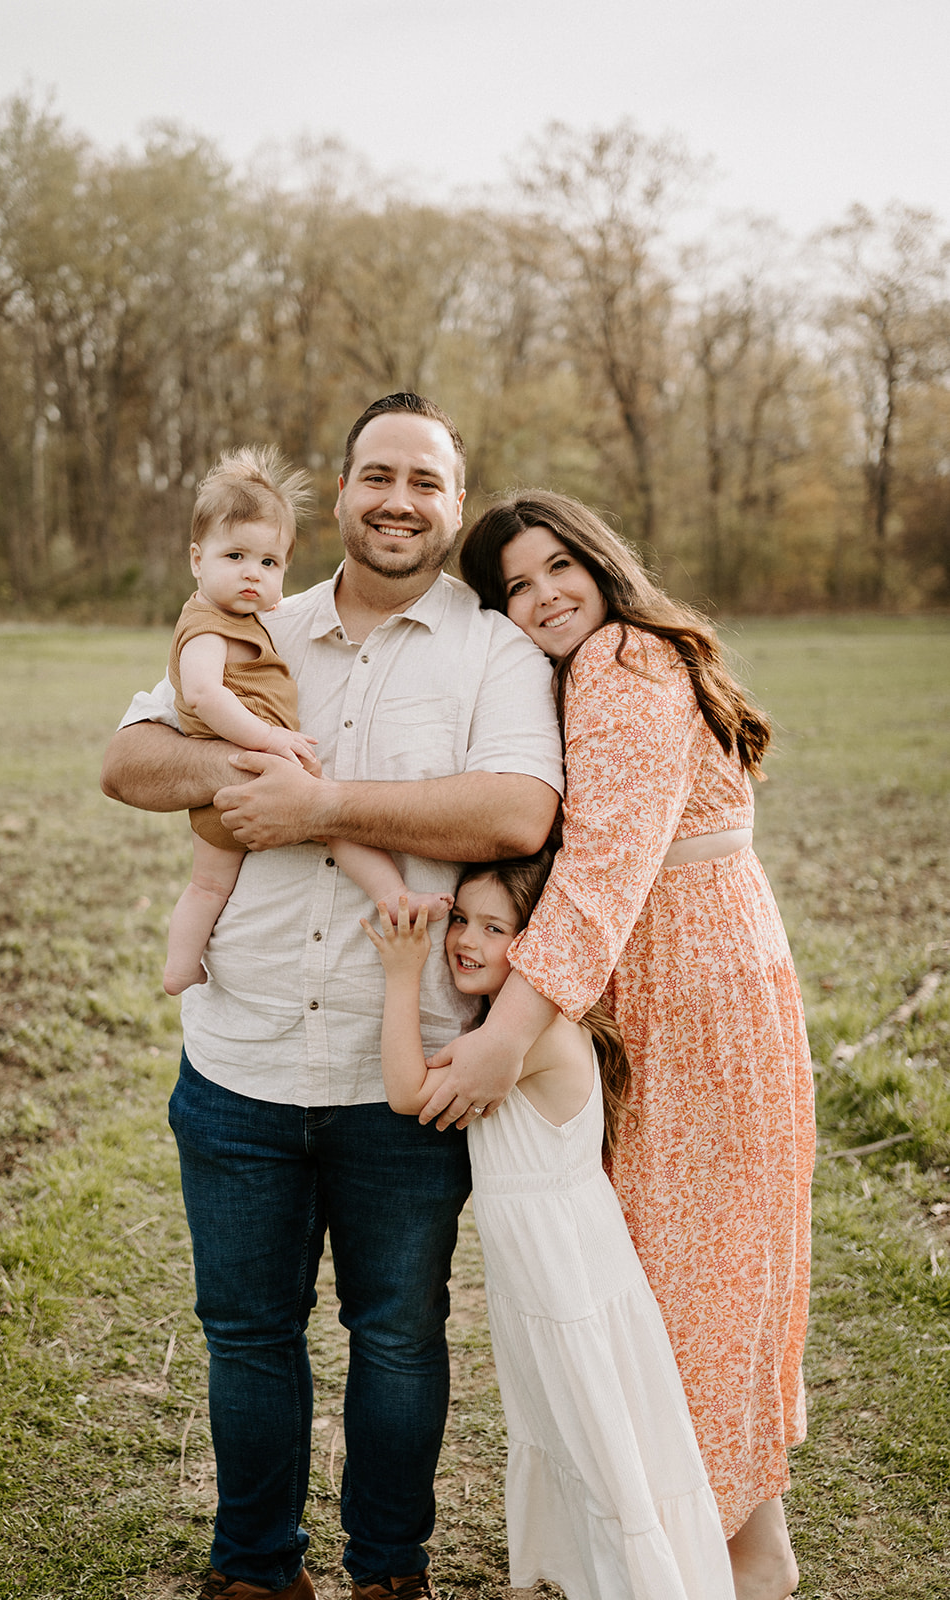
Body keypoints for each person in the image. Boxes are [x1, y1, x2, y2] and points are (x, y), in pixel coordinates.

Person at [99, 396, 563, 1600]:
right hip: (240, 1062)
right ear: (343, 490)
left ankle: (386, 1573)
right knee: (246, 1334)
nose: (398, 498)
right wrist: (236, 762)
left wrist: (320, 807)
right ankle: (254, 1570)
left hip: (399, 1074)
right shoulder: (259, 612)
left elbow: (515, 810)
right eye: (376, 474)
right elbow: (129, 760)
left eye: (424, 480)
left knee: (398, 1338)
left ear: (454, 505)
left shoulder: (493, 650)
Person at [420, 491, 815, 1600]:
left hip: (699, 1011)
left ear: (599, 564)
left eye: (559, 568)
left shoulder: (623, 660)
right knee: (682, 1290)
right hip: (669, 1003)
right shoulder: (579, 672)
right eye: (514, 586)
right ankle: (741, 1554)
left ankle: (732, 1560)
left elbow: (601, 872)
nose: (542, 595)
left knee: (688, 1296)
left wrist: (507, 1032)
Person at [361, 857, 736, 1600]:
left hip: (566, 1272)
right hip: (538, 1273)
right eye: (461, 919)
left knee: (599, 1439)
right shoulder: (503, 1025)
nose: (464, 940)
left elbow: (408, 1092)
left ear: (537, 945)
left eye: (494, 928)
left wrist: (402, 973)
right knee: (570, 1429)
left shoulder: (526, 1037)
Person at [163, 444, 452, 995]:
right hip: (245, 774)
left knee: (305, 839)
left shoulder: (251, 620)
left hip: (259, 777)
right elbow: (202, 694)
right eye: (235, 558)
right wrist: (268, 738)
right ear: (197, 560)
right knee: (210, 883)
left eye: (269, 564)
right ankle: (180, 965)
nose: (253, 576)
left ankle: (394, 899)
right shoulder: (204, 623)